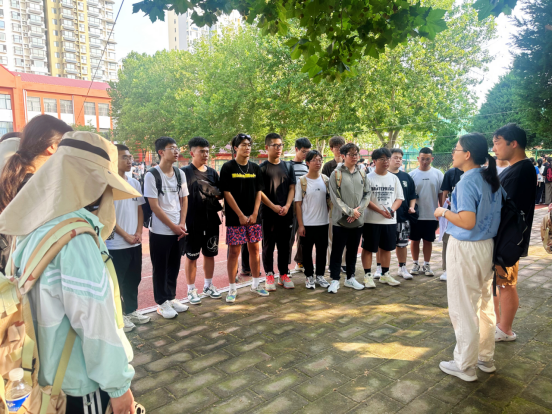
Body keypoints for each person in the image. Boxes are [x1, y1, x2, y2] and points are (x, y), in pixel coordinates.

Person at [0, 131, 139, 414]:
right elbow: (95, 323)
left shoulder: (33, 221)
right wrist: (119, 388)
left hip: (46, 378)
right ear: (92, 181)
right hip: (81, 385)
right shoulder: (76, 239)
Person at [435, 133, 503, 382]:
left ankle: (464, 365)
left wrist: (443, 211)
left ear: (467, 154)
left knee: (463, 306)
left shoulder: (467, 182)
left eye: (456, 149)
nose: (453, 153)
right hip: (486, 246)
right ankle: (485, 358)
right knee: (484, 304)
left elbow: (467, 221)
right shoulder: (490, 178)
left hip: (465, 248)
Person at [0, 115, 72, 275]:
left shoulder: (11, 180)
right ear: (52, 147)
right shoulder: (42, 191)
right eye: (68, 146)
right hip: (26, 277)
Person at [492, 123, 536, 342]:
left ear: (514, 143)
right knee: (500, 283)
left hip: (509, 239)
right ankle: (499, 325)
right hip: (504, 237)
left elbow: (507, 208)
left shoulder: (522, 170)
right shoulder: (515, 168)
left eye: (497, 143)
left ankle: (505, 330)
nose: (494, 148)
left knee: (506, 284)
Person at [144, 137, 190, 319]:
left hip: (179, 229)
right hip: (160, 231)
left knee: (174, 265)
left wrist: (182, 223)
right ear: (161, 152)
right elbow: (154, 206)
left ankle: (170, 298)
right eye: (172, 148)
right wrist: (173, 226)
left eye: (177, 148)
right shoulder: (151, 175)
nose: (176, 151)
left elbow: (184, 200)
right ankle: (161, 302)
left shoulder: (180, 174)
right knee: (160, 267)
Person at [220, 133, 268, 302]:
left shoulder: (255, 168)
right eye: (243, 145)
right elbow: (226, 193)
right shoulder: (227, 167)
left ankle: (256, 284)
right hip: (236, 218)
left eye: (249, 145)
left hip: (254, 218)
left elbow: (259, 192)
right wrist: (240, 215)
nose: (247, 147)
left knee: (254, 250)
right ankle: (232, 288)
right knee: (234, 252)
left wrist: (255, 213)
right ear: (235, 148)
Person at [107, 144, 150, 333]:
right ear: (113, 159)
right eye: (124, 157)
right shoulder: (108, 184)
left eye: (130, 157)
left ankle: (131, 311)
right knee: (117, 282)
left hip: (134, 242)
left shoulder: (134, 183)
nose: (129, 160)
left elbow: (140, 209)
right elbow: (107, 215)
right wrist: (125, 235)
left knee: (134, 278)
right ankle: (119, 316)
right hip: (116, 244)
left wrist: (139, 232)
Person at [181, 137, 223, 304]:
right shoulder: (184, 172)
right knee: (192, 256)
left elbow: (221, 194)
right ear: (192, 153)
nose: (205, 154)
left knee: (210, 254)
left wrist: (213, 191)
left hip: (211, 220)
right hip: (192, 221)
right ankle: (191, 289)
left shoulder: (212, 172)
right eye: (201, 151)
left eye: (207, 151)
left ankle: (208, 285)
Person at [327, 143, 371, 293]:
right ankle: (334, 279)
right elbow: (335, 197)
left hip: (358, 219)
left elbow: (368, 193)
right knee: (337, 251)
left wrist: (358, 211)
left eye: (356, 154)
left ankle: (350, 278)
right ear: (343, 156)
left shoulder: (362, 173)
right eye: (351, 154)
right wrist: (350, 212)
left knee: (352, 251)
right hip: (340, 220)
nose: (354, 157)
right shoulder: (336, 174)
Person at [361, 148, 404, 288]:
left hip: (389, 220)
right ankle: (367, 276)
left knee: (386, 248)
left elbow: (399, 198)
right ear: (374, 161)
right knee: (368, 248)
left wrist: (391, 210)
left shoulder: (394, 178)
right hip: (371, 220)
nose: (386, 162)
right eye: (382, 159)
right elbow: (365, 199)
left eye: (387, 159)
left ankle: (385, 274)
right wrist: (380, 211)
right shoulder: (367, 178)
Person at [260, 133, 296, 290]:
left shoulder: (288, 167)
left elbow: (292, 188)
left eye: (280, 145)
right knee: (268, 246)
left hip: (286, 213)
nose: (278, 148)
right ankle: (269, 275)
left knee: (284, 245)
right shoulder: (261, 168)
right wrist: (273, 206)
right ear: (267, 147)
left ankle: (283, 274)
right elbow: (259, 192)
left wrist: (287, 205)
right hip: (268, 214)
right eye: (275, 145)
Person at [379, 148, 418, 280]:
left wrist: (412, 207)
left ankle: (402, 267)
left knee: (402, 244)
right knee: (382, 245)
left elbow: (412, 195)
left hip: (402, 217)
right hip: (384, 218)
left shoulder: (406, 177)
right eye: (395, 157)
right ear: (388, 159)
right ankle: (380, 268)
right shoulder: (382, 175)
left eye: (400, 158)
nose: (398, 160)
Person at [295, 150, 331, 289]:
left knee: (322, 251)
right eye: (314, 160)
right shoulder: (302, 181)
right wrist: (301, 225)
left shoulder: (325, 180)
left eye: (320, 160)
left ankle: (320, 276)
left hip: (323, 222)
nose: (318, 162)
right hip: (307, 223)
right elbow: (298, 204)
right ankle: (309, 276)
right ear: (307, 163)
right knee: (307, 252)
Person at [409, 147, 444, 276]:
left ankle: (427, 264)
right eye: (422, 159)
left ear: (432, 159)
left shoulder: (438, 174)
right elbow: (409, 195)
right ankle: (415, 263)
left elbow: (441, 194)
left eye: (427, 159)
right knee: (414, 240)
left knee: (428, 241)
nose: (424, 161)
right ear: (418, 158)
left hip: (432, 214)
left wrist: (441, 212)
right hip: (416, 215)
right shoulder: (411, 175)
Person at [322, 135, 347, 272]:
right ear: (331, 149)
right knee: (332, 236)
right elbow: (325, 187)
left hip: (348, 205)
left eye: (341, 147)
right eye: (336, 147)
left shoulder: (349, 164)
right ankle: (332, 263)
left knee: (346, 235)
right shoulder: (328, 166)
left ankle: (344, 263)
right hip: (333, 205)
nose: (339, 150)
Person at [289, 137, 311, 273]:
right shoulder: (287, 166)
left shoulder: (308, 166)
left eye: (308, 152)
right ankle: (285, 268)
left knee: (303, 236)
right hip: (291, 207)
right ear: (296, 149)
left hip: (305, 207)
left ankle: (300, 262)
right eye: (303, 151)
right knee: (289, 238)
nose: (305, 155)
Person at [439, 166, 464, 281]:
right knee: (447, 240)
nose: (453, 157)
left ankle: (461, 269)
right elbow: (445, 193)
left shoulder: (477, 173)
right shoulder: (450, 173)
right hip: (451, 214)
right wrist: (444, 211)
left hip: (467, 213)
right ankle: (447, 269)